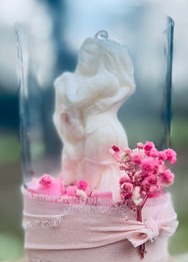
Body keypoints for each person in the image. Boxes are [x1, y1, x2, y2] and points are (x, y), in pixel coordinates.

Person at [53, 32, 136, 196]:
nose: (89, 59)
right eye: (86, 54)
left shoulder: (101, 79)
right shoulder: (114, 80)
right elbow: (129, 87)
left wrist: (67, 80)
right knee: (114, 171)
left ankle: (94, 215)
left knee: (91, 184)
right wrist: (111, 102)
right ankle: (120, 208)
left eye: (93, 55)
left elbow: (76, 99)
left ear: (100, 58)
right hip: (115, 130)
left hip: (98, 133)